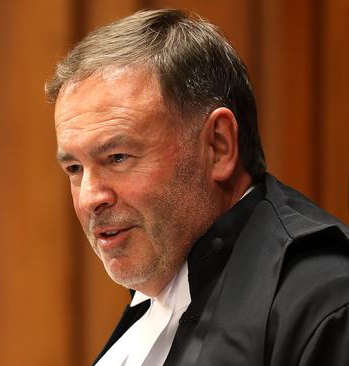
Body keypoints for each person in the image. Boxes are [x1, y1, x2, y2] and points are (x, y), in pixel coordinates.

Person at [45, 9, 349, 366]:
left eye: (118, 157)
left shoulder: (325, 299)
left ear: (218, 146)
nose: (90, 197)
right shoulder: (163, 289)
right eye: (75, 168)